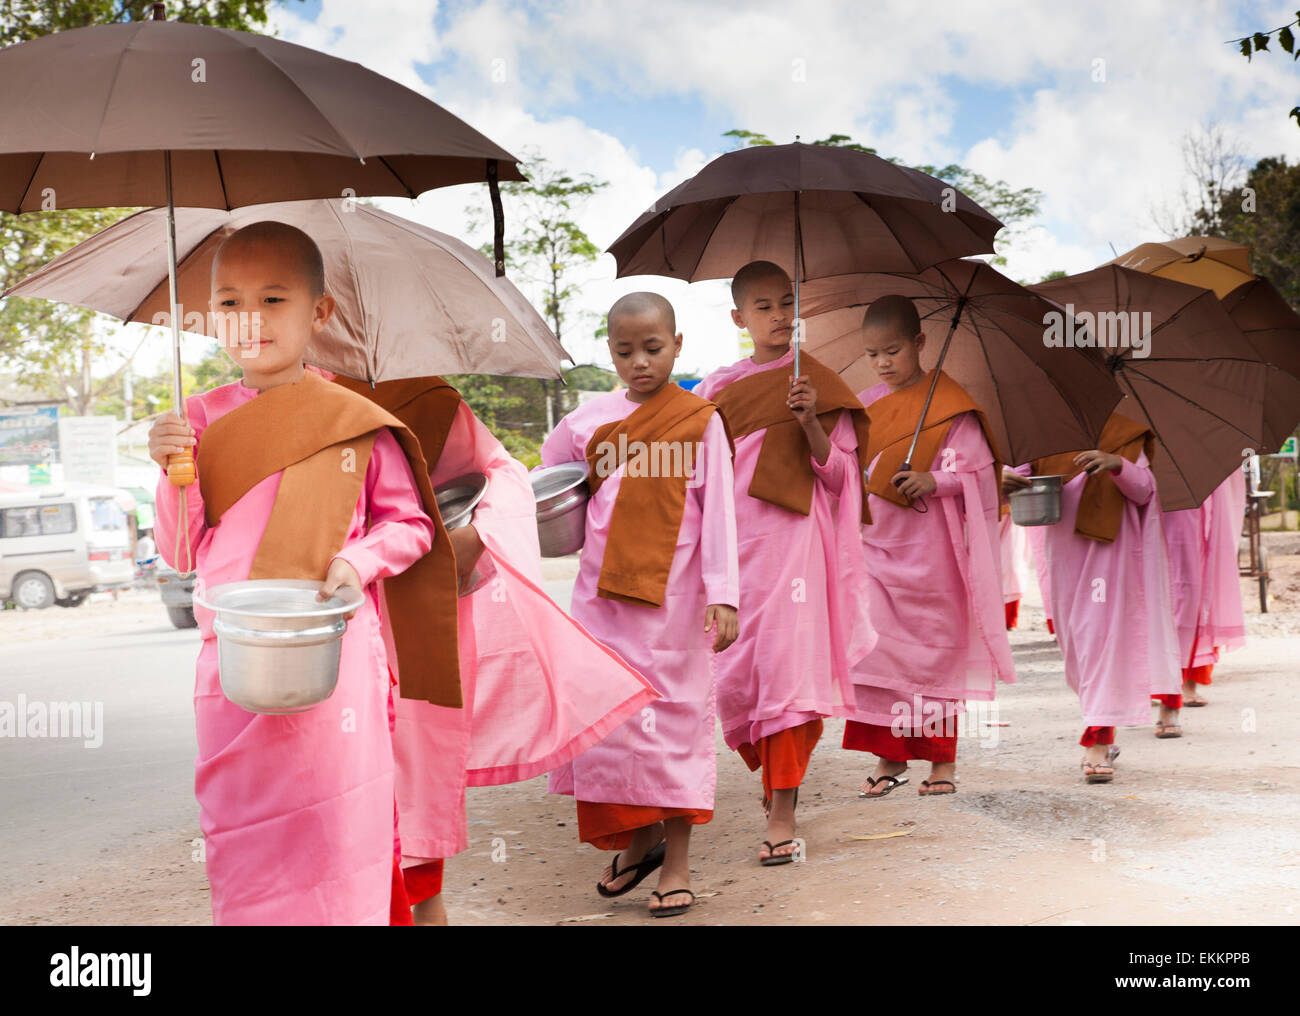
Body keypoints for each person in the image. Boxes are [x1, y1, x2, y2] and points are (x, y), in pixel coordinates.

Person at [151, 221, 463, 924]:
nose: (248, 322)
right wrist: (173, 472)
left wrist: (358, 561)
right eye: (228, 304)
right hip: (233, 666)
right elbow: (180, 552)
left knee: (340, 836)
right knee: (247, 844)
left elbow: (410, 524)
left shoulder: (353, 419)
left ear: (319, 312)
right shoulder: (194, 422)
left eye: (272, 300)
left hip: (337, 663)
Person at [324, 371, 658, 925]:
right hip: (328, 620)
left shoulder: (422, 400)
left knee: (410, 792)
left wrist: (476, 535)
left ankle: (421, 911)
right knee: (334, 795)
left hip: (416, 616)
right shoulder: (285, 403)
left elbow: (504, 475)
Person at [541, 292, 739, 917]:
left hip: (677, 605)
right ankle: (641, 837)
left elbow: (720, 516)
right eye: (625, 351)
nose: (640, 363)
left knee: (675, 728)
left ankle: (675, 862)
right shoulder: (586, 422)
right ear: (609, 353)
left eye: (653, 349)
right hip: (601, 602)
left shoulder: (699, 419)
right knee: (612, 725)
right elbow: (554, 485)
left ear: (677, 346)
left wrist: (725, 596)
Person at [696, 261, 876, 864]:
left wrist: (810, 423)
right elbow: (700, 477)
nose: (779, 316)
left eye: (786, 303)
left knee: (790, 678)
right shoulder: (716, 389)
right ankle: (773, 780)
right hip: (734, 553)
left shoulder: (819, 381)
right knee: (744, 681)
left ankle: (782, 811)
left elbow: (842, 479)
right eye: (764, 306)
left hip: (796, 549)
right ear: (739, 317)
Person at [842, 295, 1015, 798]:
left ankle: (942, 764)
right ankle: (889, 757)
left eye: (892, 350)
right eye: (873, 354)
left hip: (932, 552)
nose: (883, 363)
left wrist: (934, 480)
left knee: (932, 657)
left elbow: (980, 473)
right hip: (878, 545)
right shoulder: (870, 403)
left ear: (919, 342)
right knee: (880, 651)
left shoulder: (952, 405)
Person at [1004, 411, 1180, 783]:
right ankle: (1104, 726)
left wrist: (1118, 465)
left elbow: (1145, 489)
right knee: (1078, 648)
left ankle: (1096, 741)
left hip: (1112, 552)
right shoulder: (1043, 428)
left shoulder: (1127, 430)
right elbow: (1019, 475)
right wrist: (1004, 478)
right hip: (1064, 555)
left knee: (1102, 643)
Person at [1152, 468, 1249, 735]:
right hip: (1139, 499)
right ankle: (1155, 686)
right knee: (1148, 601)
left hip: (1193, 492)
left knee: (1189, 594)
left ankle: (1173, 696)